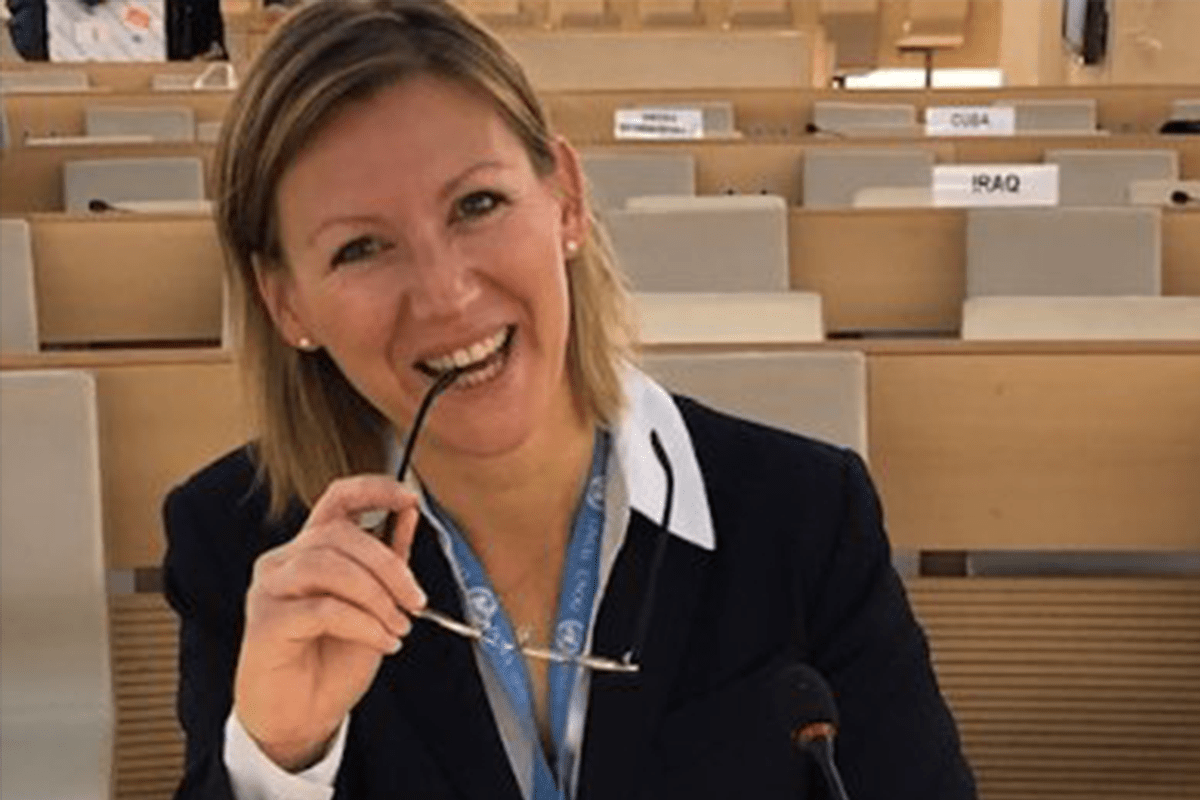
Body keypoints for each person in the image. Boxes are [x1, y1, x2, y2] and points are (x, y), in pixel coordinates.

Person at [162, 1, 978, 798]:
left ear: (567, 201)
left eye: (477, 204)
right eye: (361, 248)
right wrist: (278, 762)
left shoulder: (805, 514)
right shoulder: (241, 545)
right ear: (287, 303)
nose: (446, 296)